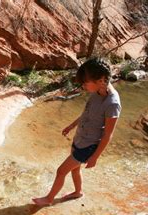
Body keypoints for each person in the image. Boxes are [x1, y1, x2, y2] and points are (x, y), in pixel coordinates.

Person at [32, 57, 121, 206]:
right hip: (80, 138)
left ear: (100, 80)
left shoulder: (112, 104)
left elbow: (107, 134)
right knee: (75, 169)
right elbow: (87, 113)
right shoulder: (98, 91)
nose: (83, 86)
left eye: (85, 82)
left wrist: (95, 157)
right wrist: (72, 126)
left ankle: (48, 199)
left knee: (61, 171)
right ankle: (78, 192)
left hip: (88, 146)